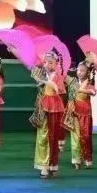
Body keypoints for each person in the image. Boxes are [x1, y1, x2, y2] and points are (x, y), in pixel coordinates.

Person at [34, 50, 67, 178]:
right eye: (45, 62)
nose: (47, 65)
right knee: (41, 135)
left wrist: (46, 82)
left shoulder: (58, 76)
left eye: (51, 62)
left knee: (52, 136)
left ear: (56, 64)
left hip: (54, 107)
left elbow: (58, 90)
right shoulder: (41, 74)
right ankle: (43, 164)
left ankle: (51, 164)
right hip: (43, 107)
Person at [67, 60, 96, 169]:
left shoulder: (89, 83)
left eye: (82, 70)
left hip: (85, 113)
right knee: (75, 136)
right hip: (74, 111)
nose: (79, 72)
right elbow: (70, 95)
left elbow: (93, 92)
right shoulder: (73, 82)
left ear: (88, 72)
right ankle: (76, 160)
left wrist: (81, 90)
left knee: (86, 136)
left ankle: (87, 158)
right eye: (78, 70)